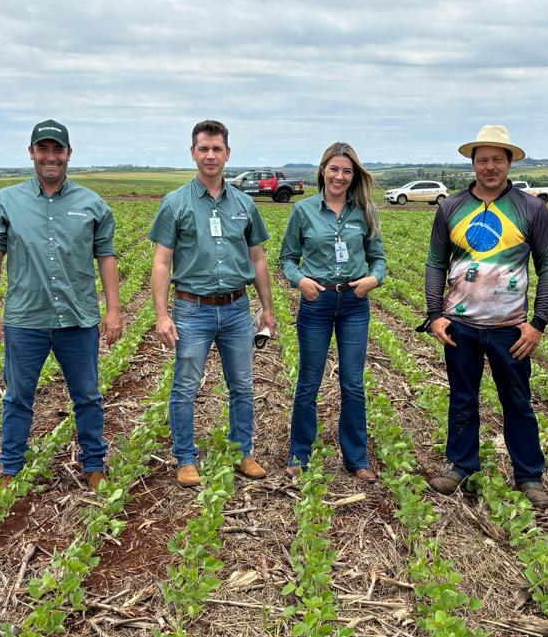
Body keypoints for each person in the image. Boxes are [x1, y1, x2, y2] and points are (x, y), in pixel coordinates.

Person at [423, 125, 548, 506]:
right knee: (463, 398)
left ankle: (529, 476)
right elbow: (436, 263)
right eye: (482, 159)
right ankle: (461, 465)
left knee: (517, 401)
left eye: (497, 160)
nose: (489, 167)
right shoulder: (451, 207)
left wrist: (538, 323)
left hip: (510, 330)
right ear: (473, 163)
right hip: (461, 325)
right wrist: (435, 314)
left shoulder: (531, 208)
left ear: (509, 163)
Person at [0, 119, 123, 490]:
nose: (50, 157)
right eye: (42, 149)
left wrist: (113, 310)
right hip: (25, 319)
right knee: (17, 397)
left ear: (68, 155)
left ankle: (93, 464)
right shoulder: (8, 200)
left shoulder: (92, 204)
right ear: (31, 153)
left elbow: (106, 256)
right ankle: (11, 469)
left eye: (57, 150)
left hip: (78, 319)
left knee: (88, 396)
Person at [149, 119, 278, 487]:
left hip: (237, 309)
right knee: (185, 387)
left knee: (242, 386)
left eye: (216, 149)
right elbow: (161, 262)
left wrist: (266, 308)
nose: (210, 155)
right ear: (193, 153)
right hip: (192, 309)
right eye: (203, 149)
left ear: (227, 154)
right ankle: (185, 458)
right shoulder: (175, 203)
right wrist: (162, 314)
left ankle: (243, 453)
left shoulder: (243, 204)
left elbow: (257, 259)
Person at [280, 142, 387, 482]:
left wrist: (374, 279)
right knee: (309, 382)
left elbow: (379, 258)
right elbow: (286, 258)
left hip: (355, 303)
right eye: (334, 169)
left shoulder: (365, 211)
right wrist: (301, 282)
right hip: (317, 302)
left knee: (353, 383)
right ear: (323, 171)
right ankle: (300, 454)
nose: (339, 176)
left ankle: (356, 458)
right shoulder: (304, 211)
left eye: (347, 171)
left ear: (354, 176)